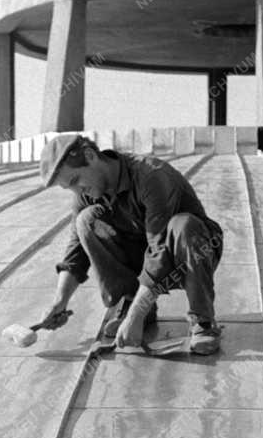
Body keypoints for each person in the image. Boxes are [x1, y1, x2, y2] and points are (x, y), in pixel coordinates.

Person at [37, 133, 224, 354]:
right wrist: (60, 301)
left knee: (184, 225)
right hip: (146, 252)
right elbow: (75, 251)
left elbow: (160, 249)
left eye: (76, 181)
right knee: (87, 221)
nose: (78, 192)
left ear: (90, 156)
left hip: (189, 252)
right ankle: (132, 303)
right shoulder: (87, 192)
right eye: (70, 188)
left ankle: (202, 321)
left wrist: (137, 313)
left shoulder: (150, 176)